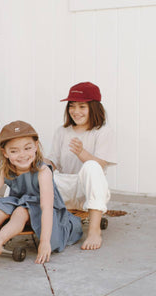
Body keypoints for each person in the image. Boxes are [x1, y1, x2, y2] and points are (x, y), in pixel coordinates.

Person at [0, 120, 83, 264]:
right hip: (19, 209)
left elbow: (46, 208)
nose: (22, 155)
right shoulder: (5, 170)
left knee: (22, 209)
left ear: (36, 146)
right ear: (5, 153)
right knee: (2, 207)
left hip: (46, 214)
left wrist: (45, 241)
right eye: (14, 151)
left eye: (27, 148)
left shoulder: (43, 171)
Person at [46, 82, 116, 251]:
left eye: (82, 106)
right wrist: (38, 165)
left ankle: (94, 231)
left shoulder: (102, 131)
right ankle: (7, 219)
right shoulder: (62, 131)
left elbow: (100, 165)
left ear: (94, 108)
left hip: (87, 191)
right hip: (64, 190)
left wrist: (82, 153)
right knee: (35, 173)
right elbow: (53, 160)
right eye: (72, 106)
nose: (76, 111)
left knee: (91, 165)